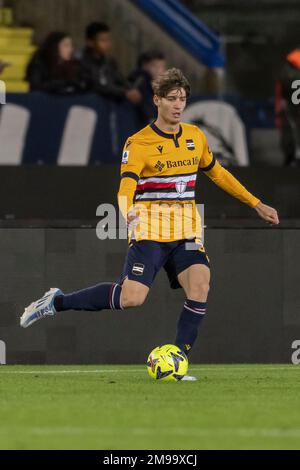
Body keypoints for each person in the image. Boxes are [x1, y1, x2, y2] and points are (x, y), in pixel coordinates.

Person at [20, 68, 279, 380]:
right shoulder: (139, 143)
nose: (178, 105)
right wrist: (127, 210)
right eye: (172, 99)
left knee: (200, 284)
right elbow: (125, 186)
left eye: (183, 99)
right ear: (157, 100)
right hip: (151, 231)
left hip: (185, 231)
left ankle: (178, 359)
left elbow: (219, 173)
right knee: (132, 299)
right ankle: (57, 301)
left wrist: (255, 202)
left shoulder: (195, 137)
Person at [80, 22, 140, 104]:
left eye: (108, 40)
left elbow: (121, 80)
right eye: (103, 40)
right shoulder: (81, 62)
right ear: (89, 42)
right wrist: (124, 93)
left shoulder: (110, 62)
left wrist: (131, 90)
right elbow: (97, 86)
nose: (107, 44)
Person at [275, 48, 300, 166]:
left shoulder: (286, 71)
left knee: (291, 130)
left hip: (290, 109)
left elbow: (279, 93)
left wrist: (278, 111)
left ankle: (291, 156)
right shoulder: (288, 70)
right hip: (291, 109)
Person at [128, 50, 166, 126]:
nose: (160, 71)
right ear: (144, 66)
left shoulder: (159, 88)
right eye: (155, 66)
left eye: (162, 67)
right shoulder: (139, 83)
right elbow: (148, 113)